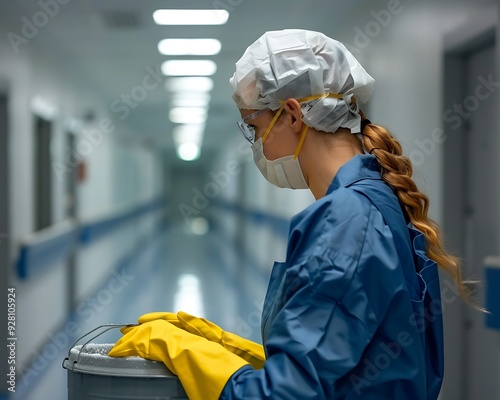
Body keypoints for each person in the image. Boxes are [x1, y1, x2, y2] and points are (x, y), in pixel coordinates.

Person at [108, 29, 473, 399]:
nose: (257, 145)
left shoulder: (347, 221)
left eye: (256, 128)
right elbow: (345, 364)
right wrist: (228, 350)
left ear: (294, 115)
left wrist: (188, 353)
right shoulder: (375, 201)